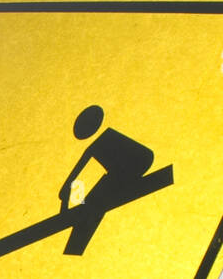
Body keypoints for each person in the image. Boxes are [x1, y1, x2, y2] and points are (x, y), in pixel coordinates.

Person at [57, 105, 157, 255]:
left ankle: (75, 246)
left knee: (92, 201)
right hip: (126, 168)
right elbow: (76, 179)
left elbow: (76, 177)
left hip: (134, 164)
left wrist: (69, 198)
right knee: (91, 200)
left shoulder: (103, 140)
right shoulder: (103, 141)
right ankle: (75, 243)